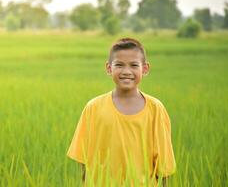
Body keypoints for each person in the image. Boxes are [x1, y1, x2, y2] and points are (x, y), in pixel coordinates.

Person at [67, 38, 176, 186]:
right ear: (108, 68)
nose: (126, 71)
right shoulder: (93, 107)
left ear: (145, 69)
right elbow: (84, 159)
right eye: (119, 65)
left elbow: (164, 165)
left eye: (133, 65)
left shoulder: (155, 109)